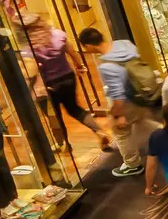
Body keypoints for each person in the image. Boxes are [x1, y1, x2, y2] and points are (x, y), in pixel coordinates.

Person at [27, 17, 113, 154]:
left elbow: (31, 71)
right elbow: (72, 52)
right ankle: (99, 131)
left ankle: (64, 144)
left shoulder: (30, 45)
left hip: (48, 85)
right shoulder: (58, 34)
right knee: (74, 108)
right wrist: (80, 66)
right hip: (67, 77)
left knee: (54, 116)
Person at [82, 28, 157, 177]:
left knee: (120, 131)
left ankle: (132, 164)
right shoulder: (124, 44)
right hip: (143, 92)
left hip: (128, 100)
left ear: (89, 46)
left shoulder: (106, 65)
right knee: (143, 120)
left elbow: (117, 93)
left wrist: (119, 115)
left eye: (84, 46)